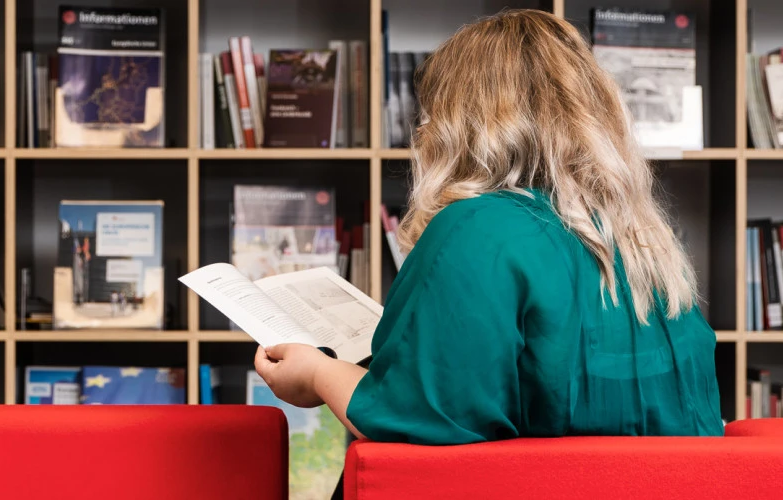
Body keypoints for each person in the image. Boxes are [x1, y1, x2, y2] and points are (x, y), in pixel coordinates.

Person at [252, 11, 722, 495]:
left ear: (461, 121)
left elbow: (416, 421)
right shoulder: (645, 240)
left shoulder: (477, 226)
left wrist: (317, 371)